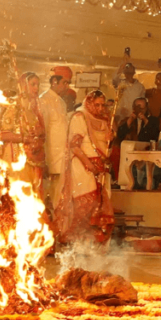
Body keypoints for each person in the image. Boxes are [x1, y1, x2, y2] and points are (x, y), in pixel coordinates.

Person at [54, 90, 114, 244]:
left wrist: (110, 140)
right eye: (96, 105)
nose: (100, 108)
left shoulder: (106, 120)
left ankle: (91, 243)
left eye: (102, 105)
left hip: (100, 167)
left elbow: (106, 148)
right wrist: (89, 165)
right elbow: (75, 147)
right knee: (85, 203)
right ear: (88, 103)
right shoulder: (80, 117)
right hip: (82, 165)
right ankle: (75, 240)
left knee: (99, 205)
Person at [0, 72, 46, 197]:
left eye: (38, 85)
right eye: (33, 84)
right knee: (19, 196)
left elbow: (41, 134)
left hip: (33, 161)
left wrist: (39, 133)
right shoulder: (13, 108)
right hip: (17, 161)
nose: (36, 88)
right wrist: (24, 138)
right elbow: (2, 135)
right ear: (23, 86)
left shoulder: (32, 110)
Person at [38, 67, 72, 208]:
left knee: (58, 198)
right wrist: (44, 160)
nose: (67, 87)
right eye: (64, 83)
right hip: (50, 161)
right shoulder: (44, 101)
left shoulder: (62, 103)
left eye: (68, 83)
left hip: (61, 159)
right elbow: (42, 132)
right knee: (47, 199)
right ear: (54, 81)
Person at [111, 60, 146, 125]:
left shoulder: (140, 86)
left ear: (134, 72)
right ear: (123, 72)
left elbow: (142, 103)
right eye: (126, 68)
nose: (128, 69)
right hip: (121, 117)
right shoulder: (120, 83)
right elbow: (114, 79)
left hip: (135, 118)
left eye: (130, 68)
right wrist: (124, 62)